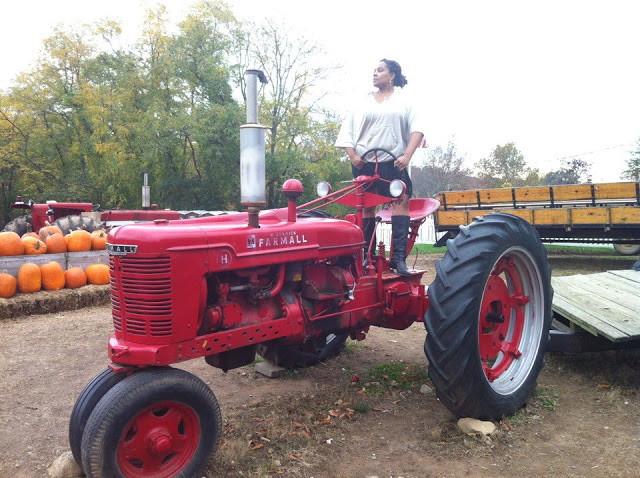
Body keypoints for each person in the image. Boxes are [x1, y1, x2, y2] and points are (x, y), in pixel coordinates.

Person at [335, 59, 425, 275]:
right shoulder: (362, 103)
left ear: (392, 75)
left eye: (380, 70)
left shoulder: (405, 101)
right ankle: (367, 256)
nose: (375, 74)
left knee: (401, 201)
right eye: (374, 70)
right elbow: (346, 132)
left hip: (394, 162)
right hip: (365, 163)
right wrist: (353, 155)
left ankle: (398, 259)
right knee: (366, 206)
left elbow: (418, 130)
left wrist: (407, 155)